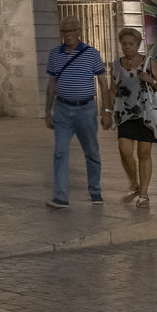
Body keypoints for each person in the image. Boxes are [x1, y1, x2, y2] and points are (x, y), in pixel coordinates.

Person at [44, 17, 113, 207]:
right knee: (60, 152)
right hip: (62, 109)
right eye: (63, 32)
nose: (67, 35)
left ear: (78, 32)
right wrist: (47, 111)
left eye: (70, 31)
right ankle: (61, 196)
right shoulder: (54, 54)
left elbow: (102, 82)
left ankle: (95, 191)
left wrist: (106, 111)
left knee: (91, 151)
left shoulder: (91, 54)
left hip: (86, 109)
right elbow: (51, 84)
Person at [111, 26, 157, 208]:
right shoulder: (116, 64)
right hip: (125, 113)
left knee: (144, 153)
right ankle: (134, 184)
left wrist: (150, 79)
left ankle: (143, 194)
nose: (127, 47)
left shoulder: (149, 62)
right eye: (124, 44)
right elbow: (112, 89)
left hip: (146, 114)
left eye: (131, 44)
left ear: (138, 44)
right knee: (124, 151)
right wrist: (107, 111)